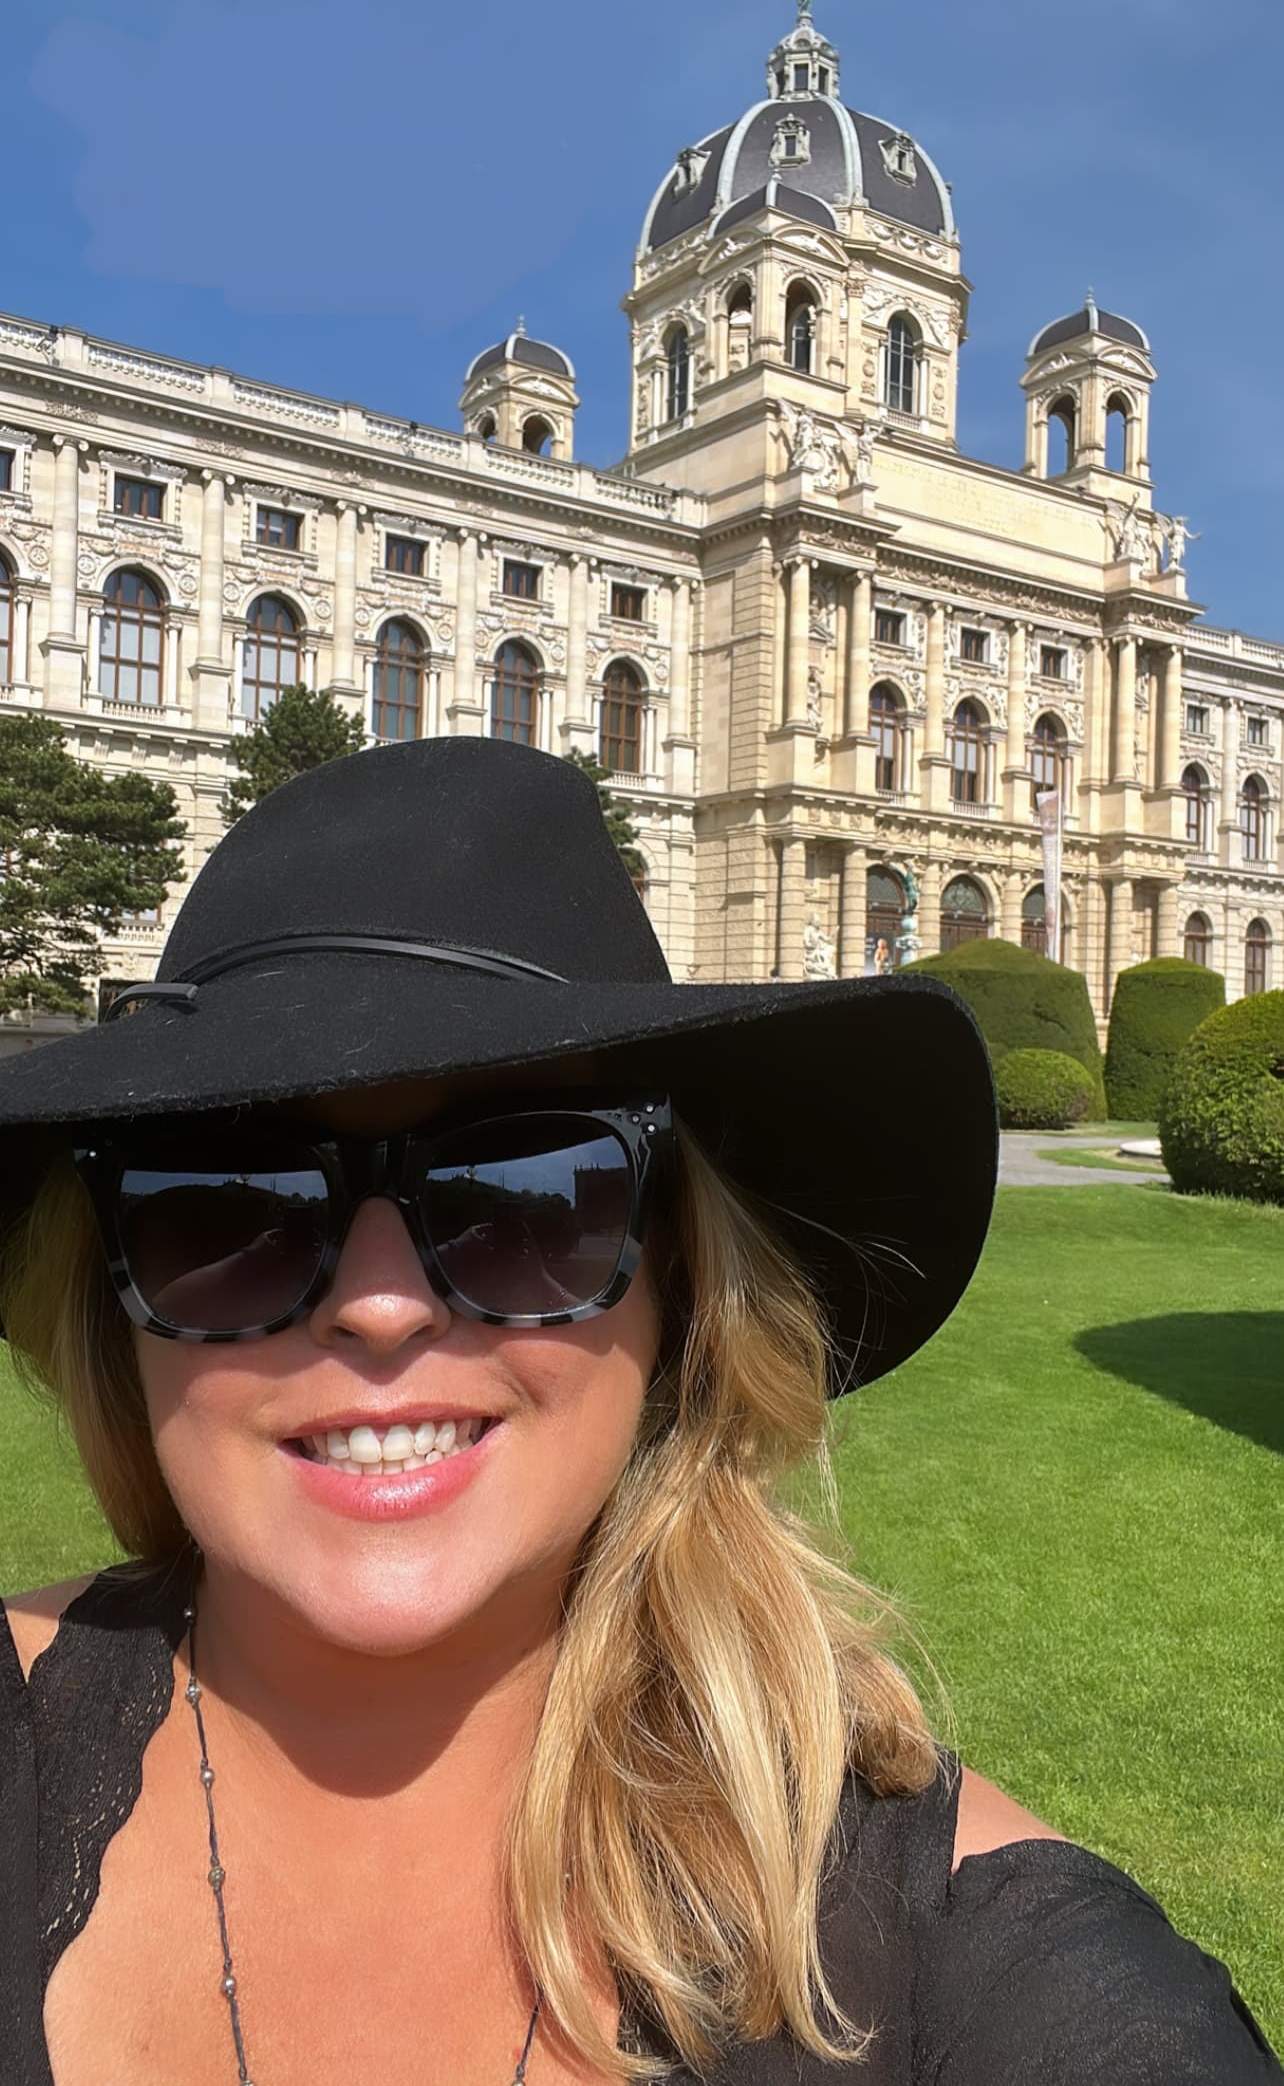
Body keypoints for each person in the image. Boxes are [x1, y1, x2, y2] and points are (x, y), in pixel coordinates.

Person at [0, 737, 1276, 2086]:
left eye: (524, 1195)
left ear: (679, 1280)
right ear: (108, 1292)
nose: (380, 1306)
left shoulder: (996, 1964)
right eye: (227, 1208)